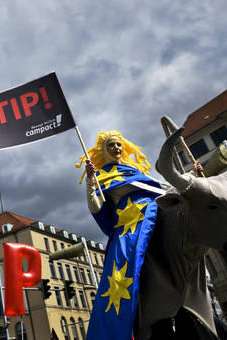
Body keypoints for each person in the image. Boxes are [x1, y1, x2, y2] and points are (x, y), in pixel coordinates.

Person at [76, 130, 165, 340]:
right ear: (103, 151)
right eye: (111, 146)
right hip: (129, 228)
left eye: (118, 145)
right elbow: (96, 207)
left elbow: (163, 190)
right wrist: (90, 181)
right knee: (121, 272)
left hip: (156, 214)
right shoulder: (101, 176)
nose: (116, 148)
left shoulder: (135, 171)